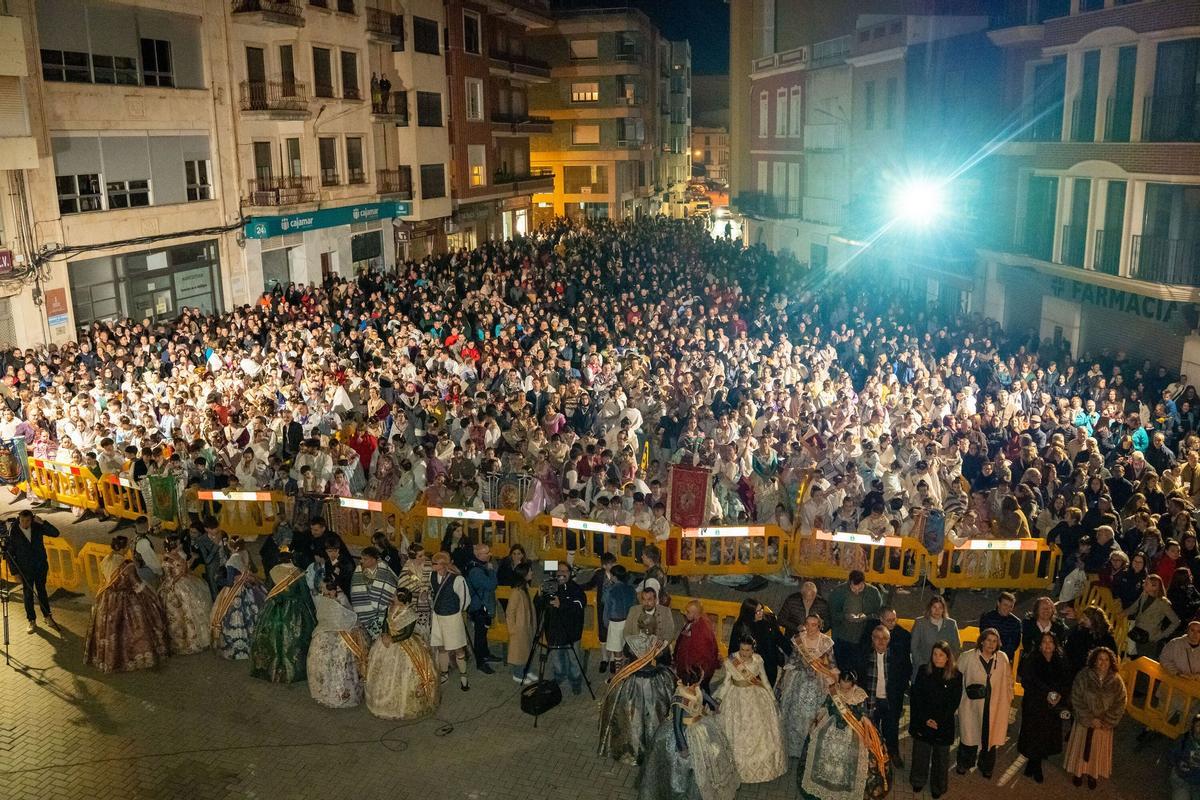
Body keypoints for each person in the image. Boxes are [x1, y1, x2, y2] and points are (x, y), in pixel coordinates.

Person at [599, 585, 676, 765]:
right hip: (644, 672)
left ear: (655, 599)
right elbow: (627, 633)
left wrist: (655, 647)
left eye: (650, 599)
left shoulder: (665, 612)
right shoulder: (634, 611)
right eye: (644, 599)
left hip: (651, 669)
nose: (647, 602)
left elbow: (670, 633)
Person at [637, 670, 740, 800]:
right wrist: (682, 746)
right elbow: (677, 725)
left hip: (700, 724)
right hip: (686, 733)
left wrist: (714, 705)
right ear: (693, 682)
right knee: (688, 765)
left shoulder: (696, 688)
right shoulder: (679, 699)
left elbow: (704, 696)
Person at [83, 535, 170, 673]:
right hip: (126, 599)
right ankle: (132, 658)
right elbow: (137, 585)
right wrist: (152, 596)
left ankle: (109, 659)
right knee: (135, 627)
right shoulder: (127, 565)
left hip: (108, 598)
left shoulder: (106, 559)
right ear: (124, 548)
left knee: (110, 629)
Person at [800, 669, 891, 800]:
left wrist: (866, 737)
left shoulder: (859, 695)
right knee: (820, 741)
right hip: (831, 724)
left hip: (854, 728)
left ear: (853, 685)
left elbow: (865, 718)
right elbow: (825, 707)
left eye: (846, 688)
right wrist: (816, 721)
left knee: (853, 751)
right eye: (841, 686)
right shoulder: (833, 690)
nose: (843, 690)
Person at [714, 636, 787, 784]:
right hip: (735, 697)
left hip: (755, 696)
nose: (744, 653)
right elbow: (727, 682)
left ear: (753, 649)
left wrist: (772, 698)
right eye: (742, 649)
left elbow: (765, 680)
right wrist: (719, 699)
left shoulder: (758, 660)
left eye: (747, 650)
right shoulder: (731, 662)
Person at [365, 587, 441, 720]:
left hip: (404, 644)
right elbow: (385, 622)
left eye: (394, 596)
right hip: (387, 641)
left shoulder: (410, 614)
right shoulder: (391, 608)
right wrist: (384, 635)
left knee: (404, 673)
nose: (392, 597)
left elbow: (407, 633)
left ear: (401, 600)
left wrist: (392, 639)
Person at [250, 548, 317, 683]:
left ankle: (271, 668)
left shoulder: (273, 571)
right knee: (295, 640)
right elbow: (304, 594)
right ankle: (293, 670)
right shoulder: (298, 573)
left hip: (274, 608)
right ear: (292, 559)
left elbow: (269, 588)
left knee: (272, 638)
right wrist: (312, 610)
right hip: (296, 610)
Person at [1064, 646, 1127, 789]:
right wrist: (1089, 718)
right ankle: (1078, 773)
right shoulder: (1083, 676)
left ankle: (1093, 774)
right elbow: (1076, 697)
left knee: (1097, 751)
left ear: (1111, 662)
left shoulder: (1117, 681)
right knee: (1080, 748)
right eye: (1100, 659)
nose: (1103, 662)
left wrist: (1106, 721)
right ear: (1094, 661)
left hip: (1103, 725)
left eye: (1106, 659)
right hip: (1084, 722)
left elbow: (1121, 702)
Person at [777, 613, 837, 760]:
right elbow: (792, 660)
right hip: (799, 679)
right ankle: (795, 749)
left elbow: (832, 664)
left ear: (819, 625)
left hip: (818, 682)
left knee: (813, 715)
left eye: (814, 624)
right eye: (808, 624)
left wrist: (833, 681)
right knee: (795, 713)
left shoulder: (825, 642)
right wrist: (800, 665)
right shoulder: (799, 639)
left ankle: (811, 748)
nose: (811, 628)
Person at [955, 627, 1013, 779]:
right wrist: (958, 702)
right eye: (988, 640)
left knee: (990, 738)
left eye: (994, 641)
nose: (991, 644)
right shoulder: (967, 657)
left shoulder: (1002, 658)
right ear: (981, 641)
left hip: (994, 706)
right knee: (969, 737)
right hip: (971, 705)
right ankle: (964, 763)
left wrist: (1008, 700)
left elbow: (1008, 681)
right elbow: (956, 679)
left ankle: (986, 766)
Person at [909, 641, 963, 799]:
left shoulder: (956, 676)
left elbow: (954, 702)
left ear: (948, 657)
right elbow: (917, 697)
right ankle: (918, 780)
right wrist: (926, 718)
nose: (937, 658)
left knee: (941, 758)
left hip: (943, 722)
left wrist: (938, 720)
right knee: (921, 754)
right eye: (935, 654)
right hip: (923, 719)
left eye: (941, 655)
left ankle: (938, 787)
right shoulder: (923, 671)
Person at [1017, 632, 1071, 783]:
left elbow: (1066, 681)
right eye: (1044, 642)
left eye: (1050, 642)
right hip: (1035, 703)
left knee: (1046, 735)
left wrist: (1059, 695)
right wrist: (1046, 693)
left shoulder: (1061, 660)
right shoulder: (1032, 660)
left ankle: (1034, 763)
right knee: (1033, 734)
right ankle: (1035, 764)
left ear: (1055, 644)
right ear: (1039, 645)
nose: (1048, 645)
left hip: (1053, 705)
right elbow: (1027, 682)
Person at [307, 578, 367, 708]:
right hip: (326, 633)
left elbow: (349, 617)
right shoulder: (324, 598)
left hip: (342, 637)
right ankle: (325, 692)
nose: (325, 594)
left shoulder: (342, 599)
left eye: (327, 592)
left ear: (334, 590)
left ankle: (342, 694)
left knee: (341, 666)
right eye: (323, 592)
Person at [857, 624, 909, 768]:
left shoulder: (897, 656)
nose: (881, 642)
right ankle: (872, 758)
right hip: (871, 701)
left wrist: (898, 694)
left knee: (891, 730)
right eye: (877, 638)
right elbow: (859, 679)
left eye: (885, 638)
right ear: (872, 639)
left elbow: (905, 675)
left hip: (890, 701)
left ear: (889, 640)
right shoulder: (864, 656)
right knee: (872, 731)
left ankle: (893, 754)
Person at [209, 536, 267, 660]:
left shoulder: (231, 561)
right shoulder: (245, 553)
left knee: (232, 616)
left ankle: (238, 646)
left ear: (230, 546)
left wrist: (218, 580)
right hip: (248, 588)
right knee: (252, 613)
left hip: (235, 591)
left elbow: (230, 582)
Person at [4, 510, 62, 634]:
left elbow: (55, 533)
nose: (25, 523)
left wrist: (43, 522)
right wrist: (15, 573)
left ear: (32, 519)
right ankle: (31, 620)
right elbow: (9, 554)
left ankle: (47, 616)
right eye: (22, 521)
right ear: (19, 519)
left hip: (40, 566)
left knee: (42, 591)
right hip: (24, 569)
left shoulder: (37, 526)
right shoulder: (13, 531)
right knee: (28, 594)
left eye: (28, 521)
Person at [157, 534, 212, 655]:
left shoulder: (165, 557)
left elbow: (165, 573)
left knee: (173, 615)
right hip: (181, 585)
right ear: (175, 546)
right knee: (190, 610)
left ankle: (177, 642)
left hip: (168, 585)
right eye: (178, 543)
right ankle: (192, 640)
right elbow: (183, 572)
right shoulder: (178, 557)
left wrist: (169, 583)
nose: (180, 544)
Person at [429, 550, 472, 691]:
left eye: (434, 563)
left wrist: (456, 612)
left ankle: (463, 676)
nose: (431, 565)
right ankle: (444, 673)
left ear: (442, 565)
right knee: (441, 647)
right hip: (437, 616)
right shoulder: (432, 576)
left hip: (452, 617)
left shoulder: (457, 579)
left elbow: (465, 599)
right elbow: (432, 593)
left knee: (458, 647)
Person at [543, 561, 587, 695]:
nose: (561, 574)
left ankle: (575, 682)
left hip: (571, 631)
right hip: (554, 630)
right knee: (556, 657)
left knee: (574, 658)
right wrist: (541, 595)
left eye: (565, 571)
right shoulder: (550, 585)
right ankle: (559, 676)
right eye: (559, 571)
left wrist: (561, 604)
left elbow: (579, 606)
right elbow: (539, 603)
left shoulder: (576, 589)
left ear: (570, 574)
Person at [727, 597, 790, 687]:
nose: (761, 613)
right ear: (749, 613)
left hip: (770, 664)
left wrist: (792, 653)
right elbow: (732, 652)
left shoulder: (769, 619)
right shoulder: (740, 628)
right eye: (757, 612)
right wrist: (744, 672)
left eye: (761, 609)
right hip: (753, 669)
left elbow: (780, 639)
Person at [828, 570, 884, 670]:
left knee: (860, 669)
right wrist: (844, 616)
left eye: (860, 588)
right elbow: (831, 614)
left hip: (864, 639)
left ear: (864, 583)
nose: (857, 591)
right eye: (854, 589)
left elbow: (879, 614)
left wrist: (867, 616)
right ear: (849, 583)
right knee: (842, 668)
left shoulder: (873, 593)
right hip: (842, 638)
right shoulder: (838, 592)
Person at [1125, 573, 1181, 658]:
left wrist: (1161, 635)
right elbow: (1134, 607)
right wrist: (1122, 614)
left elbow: (1176, 621)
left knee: (1147, 663)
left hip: (1150, 639)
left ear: (1155, 587)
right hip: (1138, 635)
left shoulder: (1162, 603)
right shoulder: (1144, 595)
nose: (1144, 585)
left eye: (1146, 583)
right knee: (1139, 659)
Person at [350, 546, 399, 641]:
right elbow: (356, 592)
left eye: (365, 559)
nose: (361, 561)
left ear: (373, 560)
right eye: (361, 558)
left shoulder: (385, 571)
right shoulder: (359, 573)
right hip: (366, 610)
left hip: (384, 610)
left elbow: (392, 587)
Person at [466, 542, 500, 673]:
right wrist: (491, 570)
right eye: (487, 553)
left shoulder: (477, 566)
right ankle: (480, 662)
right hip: (479, 607)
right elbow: (492, 585)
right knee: (479, 635)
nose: (490, 554)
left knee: (483, 633)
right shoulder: (476, 571)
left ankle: (486, 654)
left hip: (481, 605)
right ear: (479, 555)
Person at [673, 599, 721, 693]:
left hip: (695, 673)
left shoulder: (702, 629)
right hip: (689, 670)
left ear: (695, 614)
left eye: (688, 612)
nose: (685, 613)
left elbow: (702, 654)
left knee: (699, 693)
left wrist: (694, 671)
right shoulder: (693, 622)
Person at [909, 595, 961, 675]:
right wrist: (922, 665)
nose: (937, 610)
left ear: (944, 609)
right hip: (923, 669)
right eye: (934, 607)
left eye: (940, 607)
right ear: (929, 608)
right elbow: (914, 647)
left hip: (945, 670)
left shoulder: (951, 624)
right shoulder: (920, 623)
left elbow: (956, 647)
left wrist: (948, 663)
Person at [1065, 606, 1118, 679]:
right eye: (1083, 617)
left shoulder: (1106, 638)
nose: (1082, 620)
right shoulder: (1077, 632)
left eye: (1086, 619)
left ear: (1095, 621)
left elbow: (1112, 658)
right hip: (1077, 672)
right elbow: (1068, 651)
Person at [505, 561, 536, 683]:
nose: (532, 573)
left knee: (526, 650)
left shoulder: (524, 589)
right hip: (519, 628)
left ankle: (526, 671)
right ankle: (518, 674)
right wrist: (513, 630)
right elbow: (510, 612)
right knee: (519, 652)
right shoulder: (516, 592)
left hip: (526, 626)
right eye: (530, 571)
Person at [602, 564, 637, 673]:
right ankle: (626, 670)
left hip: (615, 622)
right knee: (626, 647)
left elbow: (606, 607)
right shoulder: (631, 589)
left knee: (617, 650)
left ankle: (618, 672)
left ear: (614, 576)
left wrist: (606, 622)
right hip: (629, 621)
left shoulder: (611, 590)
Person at [978, 591, 1021, 662]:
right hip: (986, 655)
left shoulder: (1016, 622)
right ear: (998, 603)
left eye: (1011, 606)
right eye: (1005, 605)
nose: (1007, 608)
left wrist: (1001, 656)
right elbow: (984, 638)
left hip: (1004, 657)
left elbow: (1014, 644)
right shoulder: (987, 617)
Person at [1169, 714, 1200, 800]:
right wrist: (1179, 763)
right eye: (1198, 726)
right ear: (1193, 726)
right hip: (1182, 780)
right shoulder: (1184, 739)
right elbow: (1171, 755)